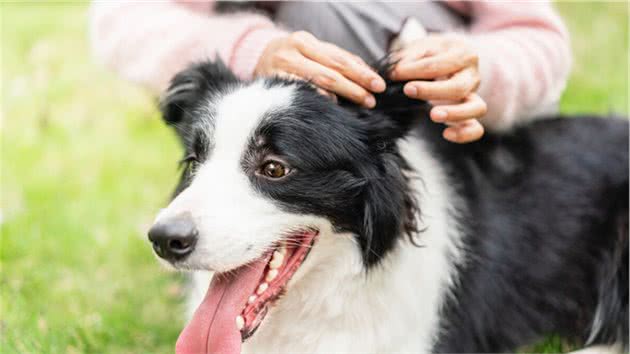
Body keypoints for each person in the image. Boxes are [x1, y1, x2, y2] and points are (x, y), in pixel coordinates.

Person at [89, 1, 571, 143]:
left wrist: (478, 70)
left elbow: (539, 39)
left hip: (452, 143)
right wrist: (250, 49)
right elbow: (124, 20)